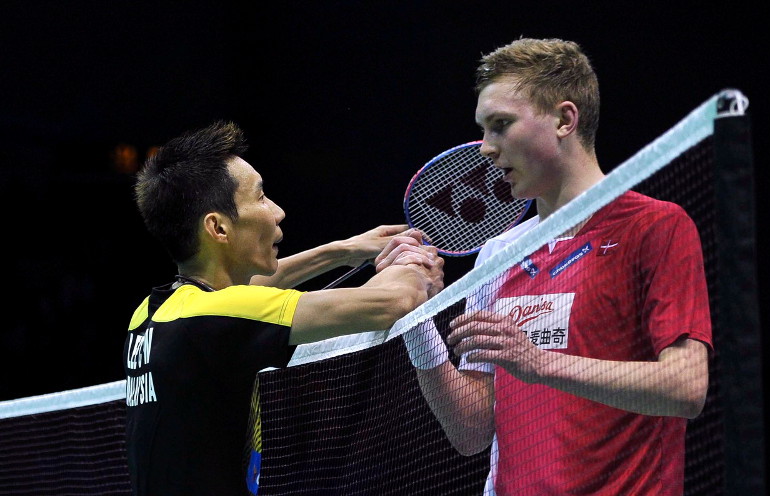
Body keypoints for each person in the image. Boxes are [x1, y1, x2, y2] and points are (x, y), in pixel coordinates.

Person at [402, 38, 712, 495]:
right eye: (484, 129)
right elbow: (471, 432)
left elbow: (686, 387)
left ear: (565, 119)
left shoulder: (654, 227)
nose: (485, 148)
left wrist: (539, 363)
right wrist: (416, 318)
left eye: (501, 125)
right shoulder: (498, 255)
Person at [124, 120, 444, 496]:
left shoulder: (156, 311)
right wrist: (410, 266)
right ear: (219, 228)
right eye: (260, 198)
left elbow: (249, 294)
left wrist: (345, 250)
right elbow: (393, 302)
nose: (277, 211)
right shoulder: (212, 318)